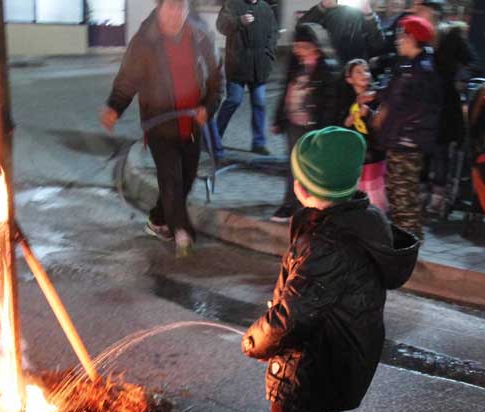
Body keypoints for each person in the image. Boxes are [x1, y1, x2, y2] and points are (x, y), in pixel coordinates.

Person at [241, 126, 419, 412]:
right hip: (337, 354)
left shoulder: (326, 245)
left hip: (312, 363)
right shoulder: (355, 219)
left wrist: (254, 340)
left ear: (305, 187)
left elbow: (292, 317)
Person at [101, 0, 222, 257]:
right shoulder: (145, 41)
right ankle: (182, 235)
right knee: (171, 179)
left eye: (181, 7)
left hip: (191, 125)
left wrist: (208, 108)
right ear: (159, 9)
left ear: (187, 10)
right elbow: (127, 80)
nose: (175, 13)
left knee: (187, 178)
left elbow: (215, 79)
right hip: (159, 126)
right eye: (170, 7)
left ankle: (157, 220)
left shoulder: (200, 37)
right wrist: (114, 107)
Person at [375, 14, 440, 241]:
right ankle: (407, 238)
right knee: (398, 192)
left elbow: (400, 105)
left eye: (402, 35)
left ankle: (409, 241)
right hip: (402, 139)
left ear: (413, 38)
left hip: (407, 142)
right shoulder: (410, 66)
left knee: (402, 194)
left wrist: (384, 116)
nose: (398, 39)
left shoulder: (419, 72)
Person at [271, 23, 342, 223]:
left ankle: (311, 207)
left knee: (310, 168)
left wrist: (323, 131)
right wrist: (278, 118)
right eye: (296, 46)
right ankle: (290, 204)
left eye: (301, 47)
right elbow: (286, 90)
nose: (297, 50)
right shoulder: (296, 63)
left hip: (313, 128)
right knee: (293, 167)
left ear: (314, 47)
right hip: (293, 124)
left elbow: (330, 103)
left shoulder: (326, 68)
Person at [215, 0, 279, 156]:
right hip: (238, 65)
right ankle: (214, 138)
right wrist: (239, 21)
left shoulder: (265, 8)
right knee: (233, 100)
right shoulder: (232, 4)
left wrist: (268, 54)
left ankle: (259, 143)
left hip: (259, 67)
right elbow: (221, 25)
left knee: (260, 103)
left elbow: (273, 32)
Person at [428, 17, 475, 214]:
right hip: (446, 105)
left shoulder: (445, 40)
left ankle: (436, 196)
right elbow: (471, 62)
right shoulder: (454, 39)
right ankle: (439, 196)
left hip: (438, 105)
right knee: (442, 153)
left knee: (438, 152)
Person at [340, 59, 387, 210]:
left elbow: (383, 127)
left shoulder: (376, 98)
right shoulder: (345, 100)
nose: (364, 74)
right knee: (357, 193)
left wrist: (369, 114)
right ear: (349, 79)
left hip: (374, 155)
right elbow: (339, 125)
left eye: (366, 70)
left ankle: (379, 224)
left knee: (375, 196)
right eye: (358, 72)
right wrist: (348, 121)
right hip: (354, 156)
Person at [298, 0, 384, 64]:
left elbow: (378, 45)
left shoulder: (366, 16)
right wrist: (322, 7)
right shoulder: (326, 11)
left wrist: (368, 14)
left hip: (356, 71)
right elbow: (301, 28)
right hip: (329, 67)